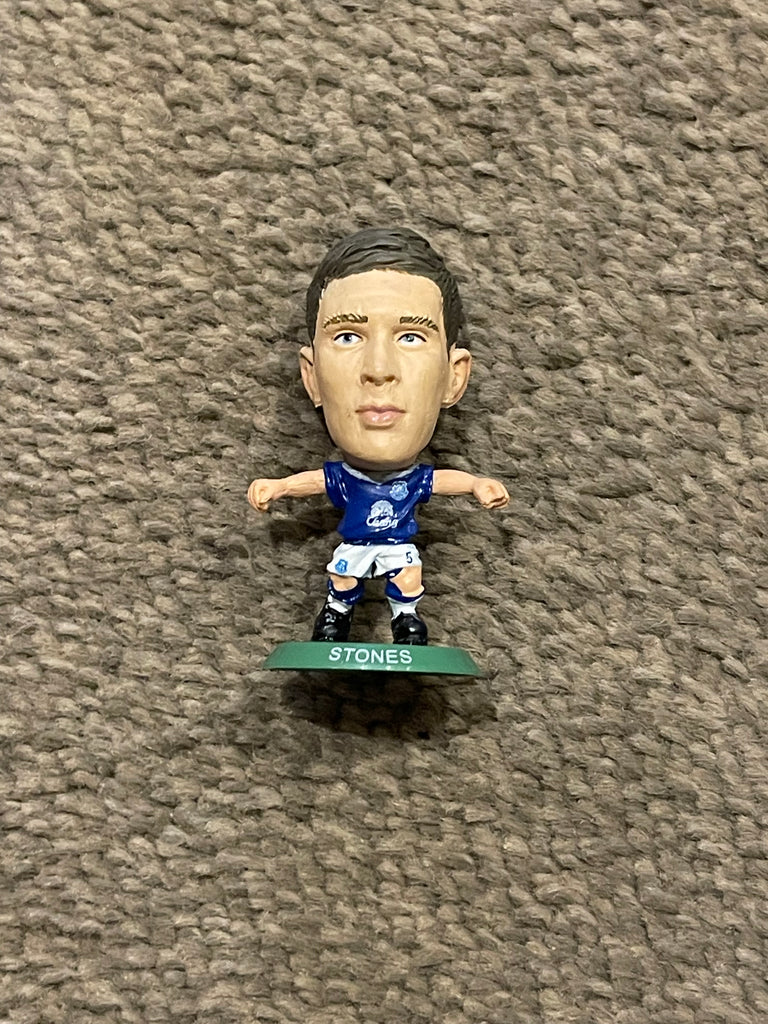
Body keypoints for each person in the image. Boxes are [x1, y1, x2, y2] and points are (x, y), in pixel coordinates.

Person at [247, 227, 509, 645]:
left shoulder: (414, 482)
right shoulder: (345, 479)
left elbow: (443, 481)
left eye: (411, 337)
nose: (379, 369)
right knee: (343, 579)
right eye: (348, 336)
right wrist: (278, 487)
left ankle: (406, 622)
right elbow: (314, 482)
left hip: (396, 547)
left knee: (406, 578)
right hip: (356, 545)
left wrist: (476, 484)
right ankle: (334, 617)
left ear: (453, 377)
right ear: (312, 377)